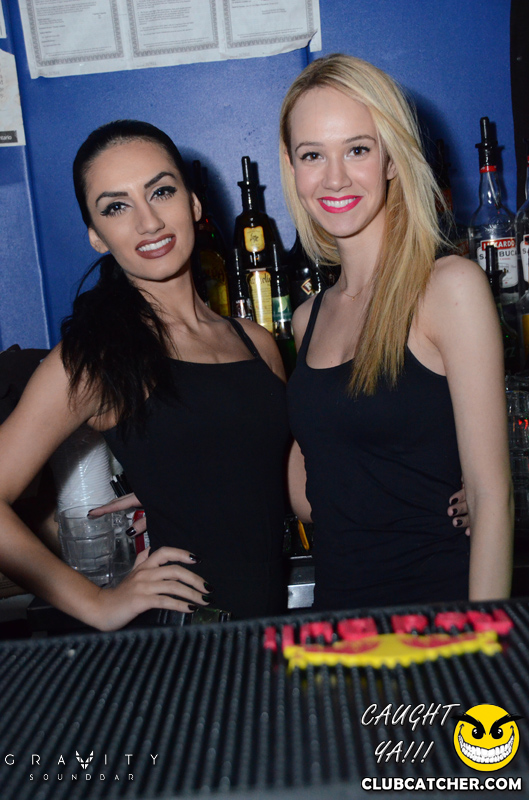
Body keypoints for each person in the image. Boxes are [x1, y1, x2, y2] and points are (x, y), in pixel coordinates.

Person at [0, 120, 290, 628]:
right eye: (116, 207)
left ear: (194, 204)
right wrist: (99, 604)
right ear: (96, 236)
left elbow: (282, 481)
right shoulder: (98, 356)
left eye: (161, 191)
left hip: (271, 631)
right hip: (190, 643)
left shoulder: (255, 342)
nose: (148, 221)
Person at [279, 54, 513, 610]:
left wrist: (482, 648)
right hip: (338, 625)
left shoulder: (447, 288)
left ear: (390, 157)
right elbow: (314, 495)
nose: (335, 177)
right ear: (292, 167)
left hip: (438, 622)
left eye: (357, 149)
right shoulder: (308, 319)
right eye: (313, 155)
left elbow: (492, 499)